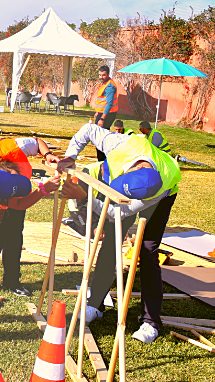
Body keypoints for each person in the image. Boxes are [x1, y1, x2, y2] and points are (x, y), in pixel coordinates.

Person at [57, 122, 182, 344]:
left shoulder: (154, 189)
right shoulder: (119, 143)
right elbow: (87, 129)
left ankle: (150, 321)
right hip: (128, 180)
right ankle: (95, 304)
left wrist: (83, 197)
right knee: (111, 243)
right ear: (132, 169)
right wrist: (70, 157)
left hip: (163, 198)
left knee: (147, 251)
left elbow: (118, 212)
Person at [0, 138, 61, 297]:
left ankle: (12, 281)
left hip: (3, 188)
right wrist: (43, 190)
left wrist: (48, 154)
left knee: (14, 237)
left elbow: (37, 142)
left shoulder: (15, 147)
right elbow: (19, 204)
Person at [92, 65, 120, 161]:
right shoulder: (104, 83)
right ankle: (101, 159)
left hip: (107, 115)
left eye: (103, 75)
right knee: (98, 137)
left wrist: (102, 118)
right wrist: (97, 112)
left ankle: (102, 160)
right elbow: (101, 101)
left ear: (108, 74)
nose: (101, 77)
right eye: (100, 75)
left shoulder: (109, 86)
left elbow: (109, 104)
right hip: (101, 113)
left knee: (100, 138)